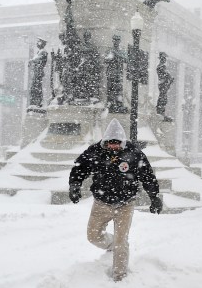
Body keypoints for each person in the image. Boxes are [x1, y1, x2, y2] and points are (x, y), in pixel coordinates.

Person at [68, 118, 163, 282]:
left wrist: (154, 197)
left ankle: (120, 277)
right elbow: (80, 167)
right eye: (111, 143)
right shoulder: (95, 151)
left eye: (117, 143)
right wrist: (74, 185)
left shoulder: (134, 153)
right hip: (101, 203)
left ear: (122, 142)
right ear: (105, 142)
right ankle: (112, 244)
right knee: (93, 236)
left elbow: (147, 176)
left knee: (121, 242)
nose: (114, 146)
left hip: (125, 204)